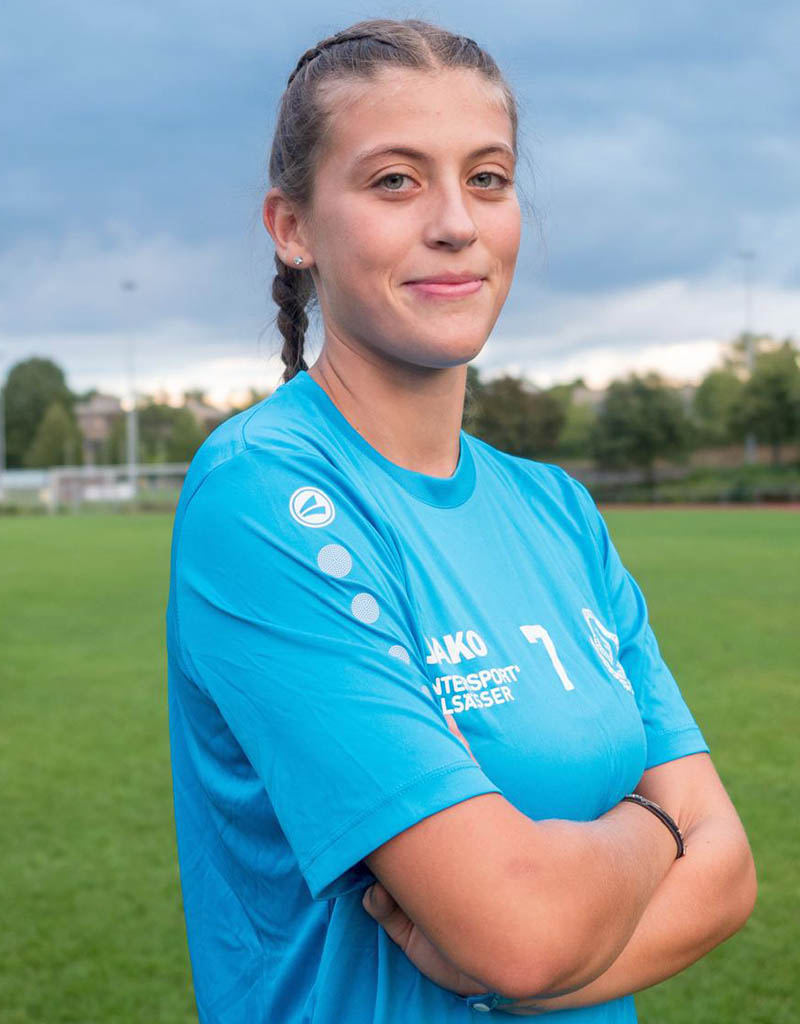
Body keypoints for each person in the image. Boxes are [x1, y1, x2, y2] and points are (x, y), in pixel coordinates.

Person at [165, 18, 757, 1024]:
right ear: (292, 226)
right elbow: (522, 929)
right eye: (395, 181)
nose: (454, 222)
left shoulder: (555, 508)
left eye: (487, 178)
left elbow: (729, 876)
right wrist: (659, 829)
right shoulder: (263, 495)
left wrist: (539, 942)